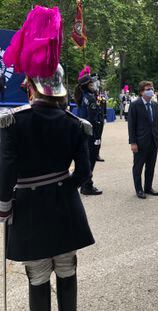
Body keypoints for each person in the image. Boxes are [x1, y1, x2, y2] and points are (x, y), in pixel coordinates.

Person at [0, 6, 95, 310]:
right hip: (66, 207)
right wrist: (64, 189)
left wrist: (4, 207)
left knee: (38, 276)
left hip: (29, 208)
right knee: (67, 270)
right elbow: (84, 172)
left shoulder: (13, 121)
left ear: (31, 85)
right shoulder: (76, 124)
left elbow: (6, 171)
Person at [128, 81, 158, 199]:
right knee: (138, 167)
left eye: (152, 88)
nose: (151, 91)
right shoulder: (135, 105)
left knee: (151, 166)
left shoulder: (155, 105)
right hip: (140, 142)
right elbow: (131, 125)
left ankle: (148, 187)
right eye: (148, 89)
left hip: (153, 141)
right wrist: (133, 142)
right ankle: (139, 189)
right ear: (141, 91)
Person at [75, 68, 103, 195]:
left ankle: (85, 183)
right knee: (90, 160)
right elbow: (93, 119)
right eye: (92, 83)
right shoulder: (90, 99)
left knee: (87, 158)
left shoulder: (82, 97)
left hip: (83, 132)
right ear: (87, 86)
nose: (94, 85)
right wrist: (97, 136)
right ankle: (87, 185)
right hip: (90, 134)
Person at [96, 94, 106, 162]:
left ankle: (96, 154)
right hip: (92, 120)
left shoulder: (101, 99)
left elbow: (103, 108)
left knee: (98, 138)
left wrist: (104, 117)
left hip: (99, 120)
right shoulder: (87, 97)